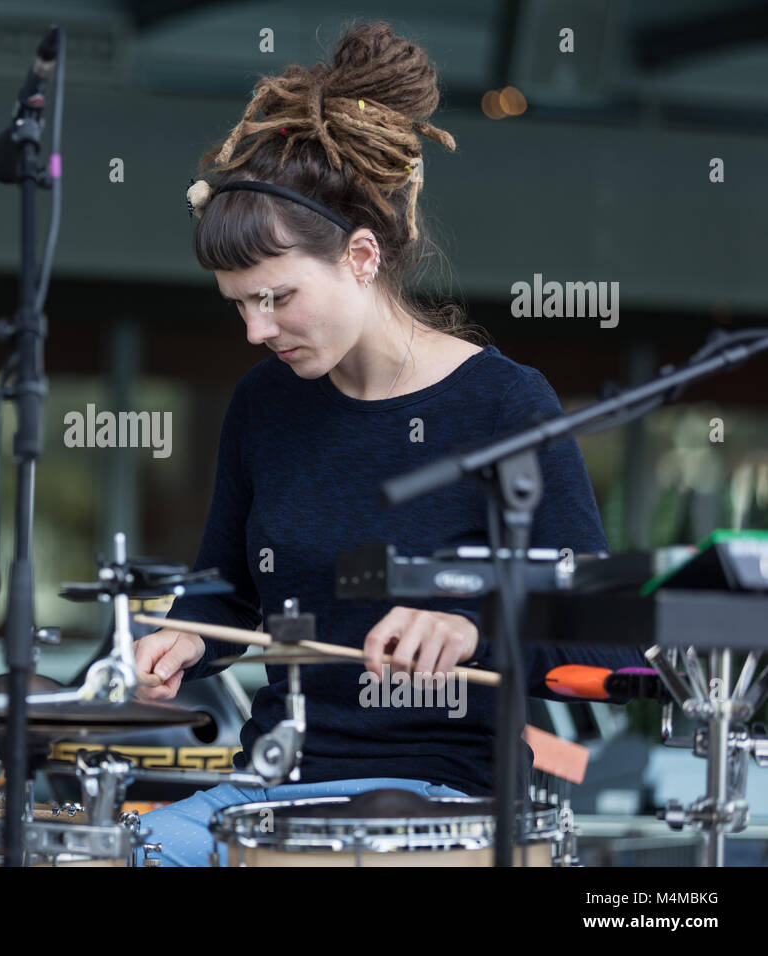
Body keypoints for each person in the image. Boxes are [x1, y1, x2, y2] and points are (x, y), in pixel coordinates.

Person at [132, 21, 645, 867]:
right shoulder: (265, 405)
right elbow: (224, 593)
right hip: (272, 785)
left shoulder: (506, 404)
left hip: (446, 799)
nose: (257, 330)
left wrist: (473, 624)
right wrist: (187, 637)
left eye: (277, 297)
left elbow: (604, 640)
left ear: (362, 256)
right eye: (238, 305)